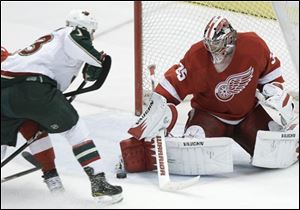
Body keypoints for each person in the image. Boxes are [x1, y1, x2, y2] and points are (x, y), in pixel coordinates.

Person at [120, 16, 299, 175]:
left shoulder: (254, 45)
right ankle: (155, 152)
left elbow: (272, 76)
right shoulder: (197, 56)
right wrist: (158, 111)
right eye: (210, 46)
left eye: (217, 46)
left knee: (275, 153)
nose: (212, 51)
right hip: (210, 116)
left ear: (230, 40)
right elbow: (171, 86)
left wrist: (275, 91)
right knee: (193, 145)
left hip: (248, 114)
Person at [1, 10, 123, 203]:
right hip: (34, 89)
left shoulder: (49, 42)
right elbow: (82, 45)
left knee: (29, 127)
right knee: (75, 128)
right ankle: (99, 182)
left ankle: (52, 178)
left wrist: (90, 70)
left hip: (6, 92)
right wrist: (99, 59)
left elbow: (87, 75)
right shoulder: (73, 32)